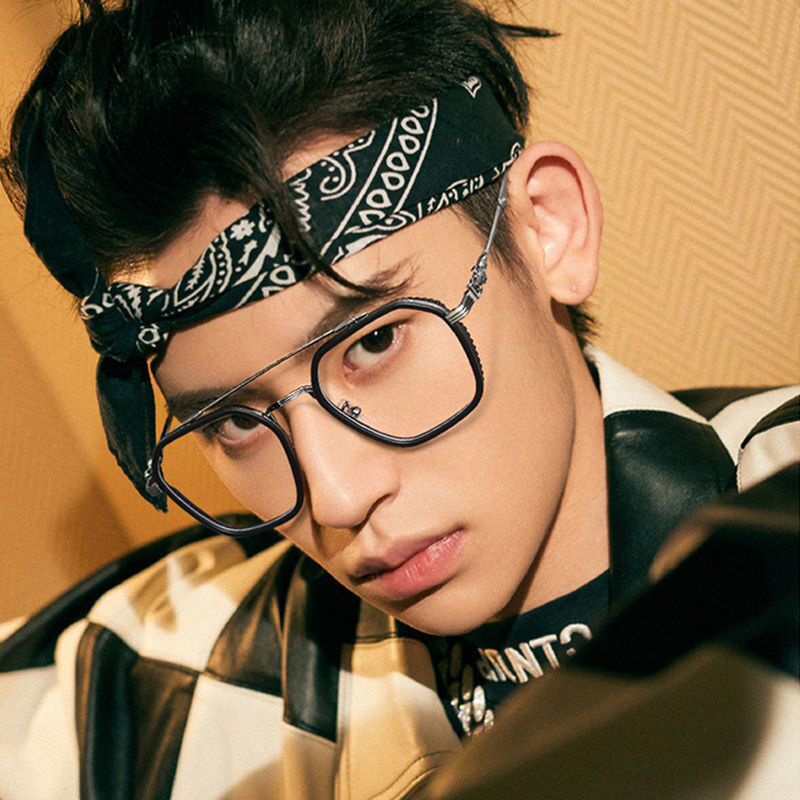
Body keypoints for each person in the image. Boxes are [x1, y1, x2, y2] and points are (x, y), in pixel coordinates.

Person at [0, 1, 797, 798]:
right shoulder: (143, 686)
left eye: (374, 342)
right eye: (237, 421)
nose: (337, 497)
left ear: (547, 229)